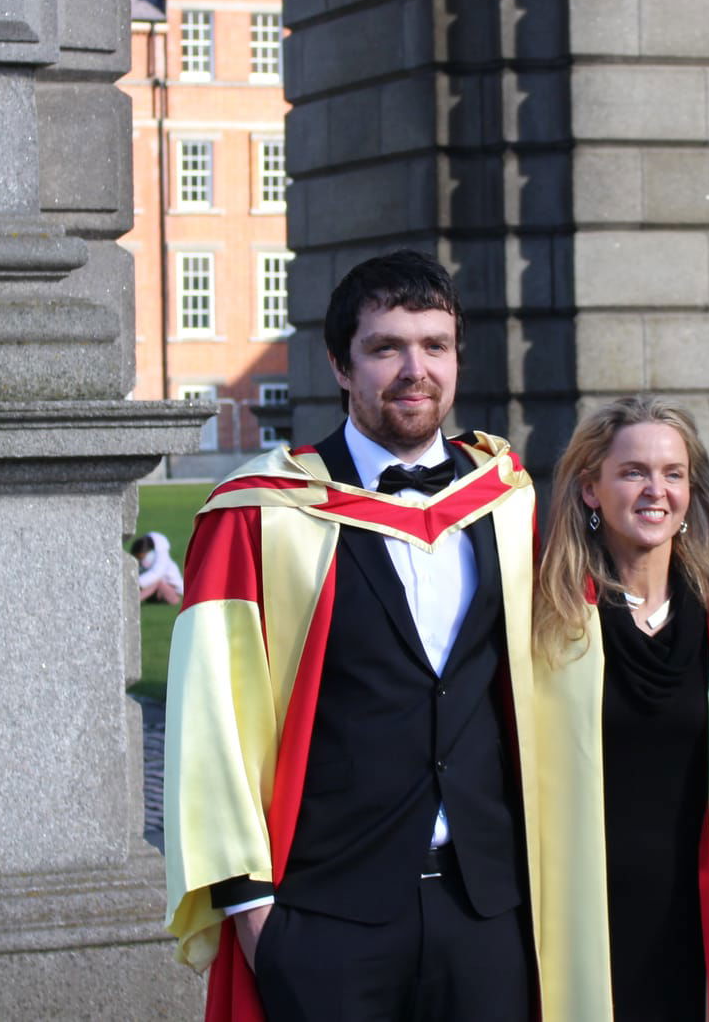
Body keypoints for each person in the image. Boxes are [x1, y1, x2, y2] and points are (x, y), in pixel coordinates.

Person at [161, 250, 538, 1022]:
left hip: (487, 913)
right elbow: (211, 729)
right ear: (340, 363)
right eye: (385, 347)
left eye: (435, 345)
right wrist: (260, 923)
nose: (415, 368)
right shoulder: (259, 514)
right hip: (330, 922)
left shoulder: (506, 500)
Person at [527, 397, 709, 1022]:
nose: (657, 490)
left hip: (699, 917)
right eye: (633, 472)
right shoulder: (548, 621)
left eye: (673, 473)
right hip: (583, 917)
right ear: (591, 489)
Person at [132, 532, 184, 604]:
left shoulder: (163, 559)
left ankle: (134, 599)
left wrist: (135, 584)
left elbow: (156, 574)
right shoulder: (150, 558)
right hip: (155, 593)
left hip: (173, 594)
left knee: (157, 581)